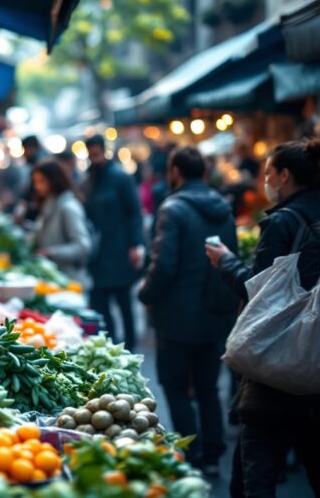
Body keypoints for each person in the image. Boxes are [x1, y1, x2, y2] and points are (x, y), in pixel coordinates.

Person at [206, 138, 320, 498]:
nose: (265, 181)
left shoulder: (281, 222)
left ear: (284, 175)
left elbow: (257, 291)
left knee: (255, 482)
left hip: (274, 371)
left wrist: (225, 261)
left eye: (268, 173)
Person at [139, 147, 238, 475]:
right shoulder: (223, 207)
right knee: (208, 386)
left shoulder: (173, 208)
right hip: (216, 313)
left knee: (176, 385)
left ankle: (191, 453)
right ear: (204, 174)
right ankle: (213, 453)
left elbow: (163, 265)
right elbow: (231, 258)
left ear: (176, 171)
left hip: (177, 317)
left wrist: (146, 293)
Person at [82, 134, 145, 350]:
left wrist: (136, 244)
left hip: (119, 249)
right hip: (98, 253)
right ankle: (110, 345)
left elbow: (135, 213)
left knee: (124, 302)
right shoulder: (89, 179)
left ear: (103, 150)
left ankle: (130, 347)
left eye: (97, 151)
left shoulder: (120, 177)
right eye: (91, 152)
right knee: (101, 303)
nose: (94, 156)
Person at [31, 159, 93, 288]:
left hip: (70, 282)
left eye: (41, 181)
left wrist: (50, 252)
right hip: (54, 281)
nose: (37, 186)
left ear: (54, 180)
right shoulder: (48, 203)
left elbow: (83, 246)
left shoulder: (68, 207)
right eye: (35, 182)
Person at [14, 135, 46, 225]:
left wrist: (20, 210)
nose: (24, 153)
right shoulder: (34, 163)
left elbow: (29, 192)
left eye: (25, 149)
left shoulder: (41, 165)